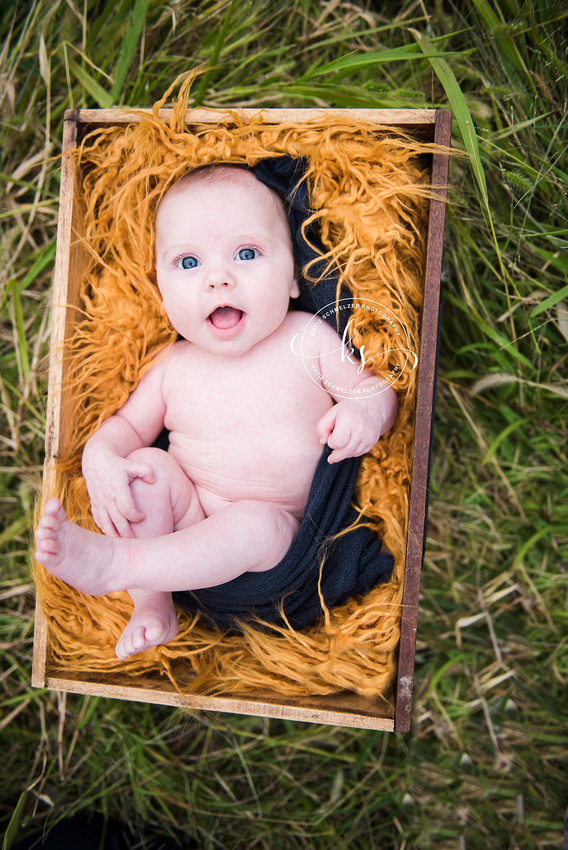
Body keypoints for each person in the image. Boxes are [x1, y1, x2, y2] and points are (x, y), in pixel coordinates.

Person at [35, 165, 398, 659]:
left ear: (293, 277)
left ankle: (124, 566)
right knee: (147, 472)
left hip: (280, 553)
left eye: (246, 254)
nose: (218, 279)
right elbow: (125, 427)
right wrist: (100, 458)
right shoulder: (172, 366)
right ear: (162, 293)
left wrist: (366, 413)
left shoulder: (306, 339)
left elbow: (372, 389)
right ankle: (153, 604)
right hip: (189, 531)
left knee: (253, 525)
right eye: (187, 263)